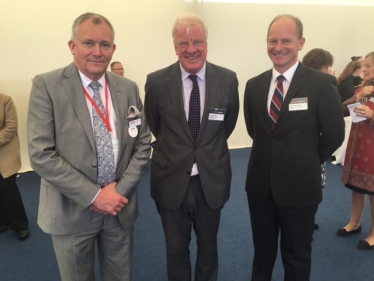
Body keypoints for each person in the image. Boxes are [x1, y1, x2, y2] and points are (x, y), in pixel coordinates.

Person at [27, 12, 151, 281]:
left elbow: (142, 143)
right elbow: (41, 153)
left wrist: (118, 191)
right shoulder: (47, 86)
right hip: (71, 210)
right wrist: (95, 196)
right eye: (88, 43)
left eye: (105, 44)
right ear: (72, 46)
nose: (97, 51)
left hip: (119, 206)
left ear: (113, 49)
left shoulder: (127, 88)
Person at [243, 14, 344, 281]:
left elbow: (333, 134)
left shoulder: (322, 84)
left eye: (286, 40)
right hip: (260, 186)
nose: (279, 47)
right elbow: (257, 131)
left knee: (297, 257)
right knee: (262, 255)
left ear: (300, 42)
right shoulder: (254, 85)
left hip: (300, 187)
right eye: (273, 40)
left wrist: (306, 160)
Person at [144, 12, 239, 281]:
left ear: (207, 43)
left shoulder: (228, 80)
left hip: (212, 180)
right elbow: (156, 125)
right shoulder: (157, 82)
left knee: (209, 250)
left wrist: (204, 151)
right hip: (170, 180)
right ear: (175, 47)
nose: (192, 49)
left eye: (197, 41)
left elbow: (226, 126)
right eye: (183, 43)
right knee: (175, 250)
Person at [337, 52, 374, 250]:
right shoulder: (361, 88)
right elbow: (342, 110)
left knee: (373, 191)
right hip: (357, 146)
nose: (364, 69)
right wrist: (358, 96)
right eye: (363, 65)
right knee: (356, 186)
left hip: (373, 150)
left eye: (368, 65)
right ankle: (355, 223)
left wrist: (372, 114)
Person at [301, 47, 336, 233]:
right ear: (323, 65)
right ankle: (306, 222)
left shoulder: (299, 80)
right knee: (312, 188)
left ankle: (305, 220)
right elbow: (333, 122)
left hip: (304, 147)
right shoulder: (324, 84)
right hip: (314, 148)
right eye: (327, 66)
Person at [0, 93, 29, 241]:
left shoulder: (5, 100)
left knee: (8, 188)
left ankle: (20, 225)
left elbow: (10, 127)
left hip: (5, 153)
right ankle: (2, 222)